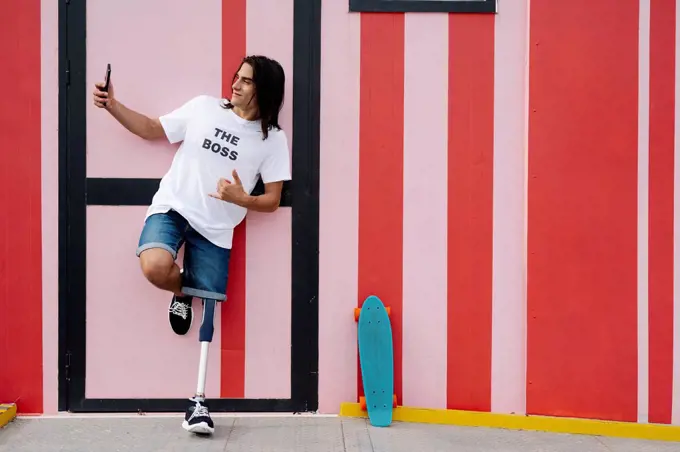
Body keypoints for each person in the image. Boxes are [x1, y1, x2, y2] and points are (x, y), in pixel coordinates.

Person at [92, 55, 291, 435]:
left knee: (211, 308)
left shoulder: (272, 139)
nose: (235, 84)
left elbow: (273, 200)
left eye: (246, 81)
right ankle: (184, 290)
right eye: (236, 77)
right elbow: (152, 128)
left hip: (216, 228)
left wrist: (240, 198)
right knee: (154, 267)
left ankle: (197, 404)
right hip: (175, 206)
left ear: (264, 90)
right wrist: (113, 106)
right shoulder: (203, 108)